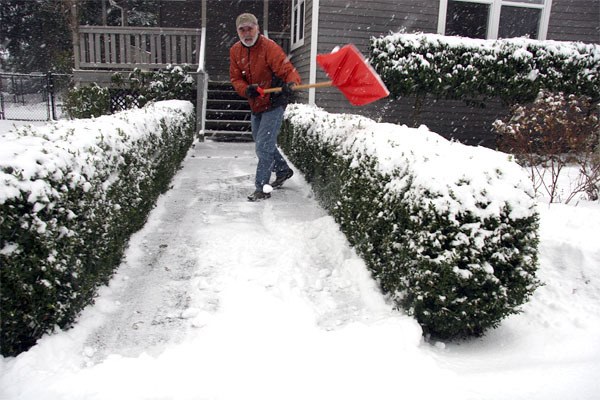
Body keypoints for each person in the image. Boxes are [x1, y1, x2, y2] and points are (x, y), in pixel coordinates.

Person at [229, 13, 301, 202]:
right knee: (261, 142)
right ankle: (283, 170)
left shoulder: (269, 47)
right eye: (242, 29)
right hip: (256, 103)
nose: (247, 33)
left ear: (257, 28)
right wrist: (246, 90)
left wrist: (291, 84)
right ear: (237, 32)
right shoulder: (236, 51)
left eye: (250, 28)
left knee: (263, 146)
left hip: (274, 102)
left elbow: (288, 71)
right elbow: (236, 78)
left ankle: (262, 188)